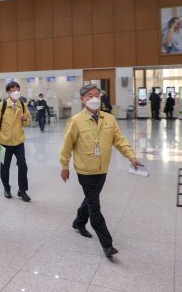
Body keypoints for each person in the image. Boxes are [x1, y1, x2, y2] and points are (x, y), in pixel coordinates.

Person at [60, 84, 142, 257]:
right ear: (82, 99)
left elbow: (119, 139)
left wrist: (131, 156)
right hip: (85, 170)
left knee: (91, 199)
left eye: (97, 94)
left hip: (102, 168)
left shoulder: (109, 119)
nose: (94, 98)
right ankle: (107, 244)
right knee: (94, 206)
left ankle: (78, 222)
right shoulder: (75, 121)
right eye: (89, 96)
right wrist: (65, 166)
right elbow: (66, 146)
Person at [0, 81, 31, 202]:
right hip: (3, 142)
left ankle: (22, 190)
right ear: (8, 92)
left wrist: (25, 119)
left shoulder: (23, 105)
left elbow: (28, 122)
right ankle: (6, 188)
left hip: (19, 142)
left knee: (22, 165)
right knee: (4, 166)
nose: (15, 92)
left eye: (17, 89)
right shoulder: (1, 106)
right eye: (12, 90)